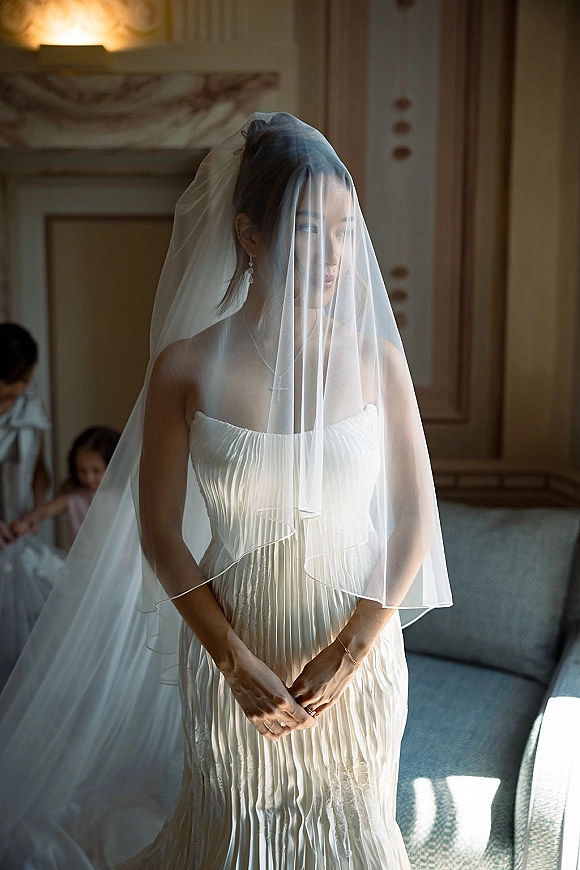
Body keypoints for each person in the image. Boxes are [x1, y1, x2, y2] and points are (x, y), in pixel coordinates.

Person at [0, 114, 451, 870]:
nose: (337, 254)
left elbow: (414, 522)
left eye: (347, 230)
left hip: (355, 664)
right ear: (248, 232)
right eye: (312, 229)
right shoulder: (183, 366)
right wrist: (235, 664)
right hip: (231, 657)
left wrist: (350, 652)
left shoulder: (377, 361)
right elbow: (161, 537)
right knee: (235, 844)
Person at [0, 323, 64, 690]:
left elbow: (40, 469)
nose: (20, 390)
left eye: (26, 381)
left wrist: (38, 510)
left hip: (18, 524)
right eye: (12, 383)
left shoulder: (29, 406)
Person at [12, 425, 121, 549]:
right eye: (82, 470)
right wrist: (25, 522)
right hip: (80, 564)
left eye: (96, 471)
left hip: (119, 565)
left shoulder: (124, 497)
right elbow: (43, 511)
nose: (88, 477)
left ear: (115, 465)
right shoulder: (74, 497)